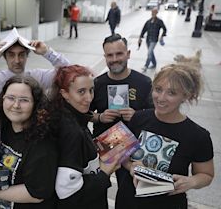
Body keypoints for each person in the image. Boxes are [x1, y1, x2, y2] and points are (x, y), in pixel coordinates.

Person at [116, 64, 214, 209]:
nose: (161, 98)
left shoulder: (198, 136)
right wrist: (131, 167)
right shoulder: (138, 118)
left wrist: (191, 181)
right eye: (158, 89)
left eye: (171, 93)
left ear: (185, 96)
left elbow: (206, 174)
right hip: (128, 201)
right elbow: (121, 155)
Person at [0, 75, 58, 208]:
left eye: (24, 100)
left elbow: (37, 194)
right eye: (11, 98)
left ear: (36, 104)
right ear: (3, 99)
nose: (16, 105)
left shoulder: (43, 144)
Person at [50, 65, 122, 208]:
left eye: (91, 90)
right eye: (81, 92)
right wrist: (105, 171)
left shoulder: (66, 116)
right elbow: (68, 194)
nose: (89, 98)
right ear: (64, 93)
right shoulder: (72, 131)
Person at [89, 34, 153, 192]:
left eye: (119, 53)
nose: (114, 59)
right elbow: (84, 113)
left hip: (133, 149)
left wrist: (137, 116)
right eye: (110, 55)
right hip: (103, 147)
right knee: (96, 191)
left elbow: (155, 115)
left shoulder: (144, 82)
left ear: (128, 54)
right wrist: (100, 117)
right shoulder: (97, 83)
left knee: (129, 193)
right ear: (105, 57)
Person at [0, 39, 69, 111]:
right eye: (11, 55)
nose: (17, 60)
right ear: (4, 57)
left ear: (27, 56)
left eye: (21, 55)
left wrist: (47, 52)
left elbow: (68, 72)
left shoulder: (38, 76)